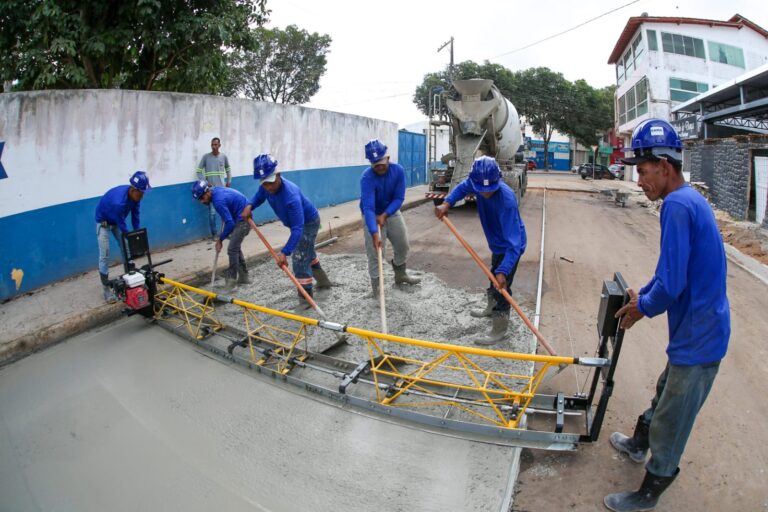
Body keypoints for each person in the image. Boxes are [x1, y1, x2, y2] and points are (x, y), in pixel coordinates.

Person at [604, 119, 730, 512]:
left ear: (664, 165)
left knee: (673, 416)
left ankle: (650, 490)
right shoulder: (688, 199)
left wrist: (641, 308)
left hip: (699, 335)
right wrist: (645, 291)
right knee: (666, 392)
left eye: (642, 171)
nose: (639, 180)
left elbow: (672, 284)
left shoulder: (676, 206)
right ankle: (639, 444)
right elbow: (670, 270)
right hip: (698, 327)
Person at [434, 156, 526, 345]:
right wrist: (447, 203)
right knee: (493, 273)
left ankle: (500, 329)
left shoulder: (507, 201)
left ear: (497, 180)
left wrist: (504, 270)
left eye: (489, 190)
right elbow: (461, 188)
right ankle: (490, 308)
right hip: (496, 242)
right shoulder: (476, 183)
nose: (485, 194)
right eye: (481, 190)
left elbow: (514, 245)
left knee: (502, 284)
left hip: (510, 247)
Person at [241, 154, 332, 304]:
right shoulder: (266, 186)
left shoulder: (291, 197)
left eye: (271, 183)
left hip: (308, 223)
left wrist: (284, 252)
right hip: (297, 224)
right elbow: (259, 196)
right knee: (307, 250)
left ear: (278, 175)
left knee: (300, 259)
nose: (268, 187)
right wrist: (250, 206)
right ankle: (323, 282)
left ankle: (305, 302)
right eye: (265, 184)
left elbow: (298, 229)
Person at [359, 139, 420, 295]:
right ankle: (377, 288)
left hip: (391, 212)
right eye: (375, 164)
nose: (379, 166)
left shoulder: (398, 171)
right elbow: (368, 207)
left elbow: (399, 198)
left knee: (403, 244)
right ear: (370, 163)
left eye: (382, 162)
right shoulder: (367, 177)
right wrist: (374, 231)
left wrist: (385, 215)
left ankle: (400, 274)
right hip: (371, 215)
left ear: (388, 157)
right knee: (376, 252)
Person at [94, 171, 151, 303]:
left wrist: (137, 234)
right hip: (103, 223)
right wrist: (130, 237)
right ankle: (106, 289)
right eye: (140, 193)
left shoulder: (136, 198)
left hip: (117, 221)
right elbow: (122, 225)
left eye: (143, 193)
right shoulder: (118, 202)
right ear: (132, 190)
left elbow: (135, 216)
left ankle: (131, 280)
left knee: (127, 249)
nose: (142, 196)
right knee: (105, 254)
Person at [192, 180, 250, 287]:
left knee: (232, 249)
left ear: (207, 192)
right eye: (199, 199)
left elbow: (230, 224)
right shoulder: (215, 191)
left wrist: (220, 240)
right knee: (235, 247)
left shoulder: (218, 201)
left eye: (202, 197)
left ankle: (231, 283)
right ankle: (244, 278)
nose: (201, 201)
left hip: (244, 220)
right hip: (241, 216)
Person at [196, 137, 232, 240]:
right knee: (212, 213)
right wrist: (206, 182)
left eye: (216, 145)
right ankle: (214, 234)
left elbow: (228, 170)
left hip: (222, 190)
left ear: (219, 145)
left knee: (224, 212)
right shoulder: (206, 157)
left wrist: (229, 181)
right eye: (212, 145)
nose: (214, 146)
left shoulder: (223, 157)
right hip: (210, 191)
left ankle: (226, 233)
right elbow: (198, 171)